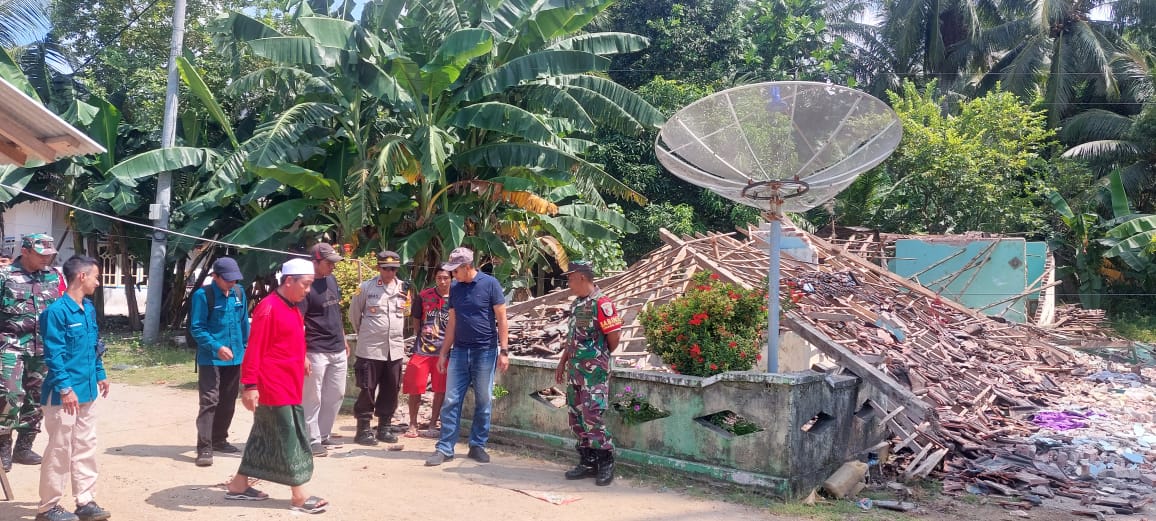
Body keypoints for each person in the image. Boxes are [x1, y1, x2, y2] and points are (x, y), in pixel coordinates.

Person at [224, 258, 327, 515]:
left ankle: (239, 485)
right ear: (289, 281)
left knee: (263, 435)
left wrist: (301, 357)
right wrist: (249, 385)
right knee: (289, 435)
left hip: (289, 383)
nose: (308, 290)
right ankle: (300, 495)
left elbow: (289, 339)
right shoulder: (268, 308)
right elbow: (255, 348)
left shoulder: (292, 307)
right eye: (305, 284)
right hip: (273, 386)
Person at [35, 255, 110, 521]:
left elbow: (93, 346)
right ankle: (48, 507)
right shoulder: (55, 313)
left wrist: (100, 374)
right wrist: (66, 389)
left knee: (85, 446)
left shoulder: (87, 308)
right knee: (59, 450)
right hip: (62, 397)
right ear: (82, 276)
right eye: (96, 277)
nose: (98, 282)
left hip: (87, 392)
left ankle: (85, 501)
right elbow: (53, 355)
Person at [425, 247, 509, 466]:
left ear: (467, 267)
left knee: (483, 399)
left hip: (485, 351)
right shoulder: (455, 288)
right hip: (460, 352)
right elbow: (452, 322)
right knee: (451, 400)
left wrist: (504, 350)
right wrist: (444, 352)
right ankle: (445, 448)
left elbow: (502, 318)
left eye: (455, 270)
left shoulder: (490, 284)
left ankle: (477, 445)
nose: (452, 275)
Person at [0, 233, 65, 472]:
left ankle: (24, 447)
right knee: (9, 394)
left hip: (42, 349)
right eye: (41, 254)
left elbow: (59, 312)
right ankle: (3, 447)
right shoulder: (5, 276)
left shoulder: (52, 277)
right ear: (25, 251)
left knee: (37, 399)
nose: (46, 259)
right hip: (10, 346)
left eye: (49, 255)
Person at [554, 261, 622, 486]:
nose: (569, 283)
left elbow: (614, 338)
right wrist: (562, 362)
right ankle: (587, 461)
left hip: (594, 374)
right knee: (575, 417)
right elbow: (572, 338)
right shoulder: (577, 304)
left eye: (570, 278)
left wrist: (597, 357)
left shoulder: (602, 304)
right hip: (575, 372)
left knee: (593, 416)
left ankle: (605, 461)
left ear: (581, 277)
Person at [189, 257, 249, 467]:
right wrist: (217, 347)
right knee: (209, 401)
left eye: (234, 280)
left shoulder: (239, 293)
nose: (231, 283)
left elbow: (244, 324)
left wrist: (245, 348)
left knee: (229, 399)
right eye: (227, 280)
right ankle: (204, 447)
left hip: (235, 358)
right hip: (211, 358)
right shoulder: (203, 296)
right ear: (215, 277)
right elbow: (197, 328)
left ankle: (220, 439)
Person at [348, 250, 411, 446]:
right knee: (367, 388)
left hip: (395, 348)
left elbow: (406, 312)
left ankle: (384, 427)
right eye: (386, 268)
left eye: (393, 269)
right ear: (378, 268)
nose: (390, 272)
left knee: (392, 388)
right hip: (371, 348)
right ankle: (363, 429)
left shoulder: (403, 288)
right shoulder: (366, 288)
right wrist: (365, 334)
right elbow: (354, 314)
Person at [301, 243, 349, 457]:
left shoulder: (332, 279)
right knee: (312, 397)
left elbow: (336, 311)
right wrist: (302, 354)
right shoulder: (306, 287)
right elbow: (298, 322)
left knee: (336, 394)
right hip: (315, 349)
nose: (332, 266)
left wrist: (344, 338)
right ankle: (311, 439)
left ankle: (324, 434)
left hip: (337, 347)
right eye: (328, 263)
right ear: (315, 262)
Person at [402, 268, 451, 438]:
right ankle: (413, 424)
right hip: (422, 349)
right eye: (439, 278)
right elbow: (416, 318)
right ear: (435, 278)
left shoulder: (457, 298)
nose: (442, 281)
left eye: (446, 278)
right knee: (415, 387)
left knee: (440, 389)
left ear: (451, 279)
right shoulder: (424, 296)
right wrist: (419, 335)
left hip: (444, 351)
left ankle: (432, 424)